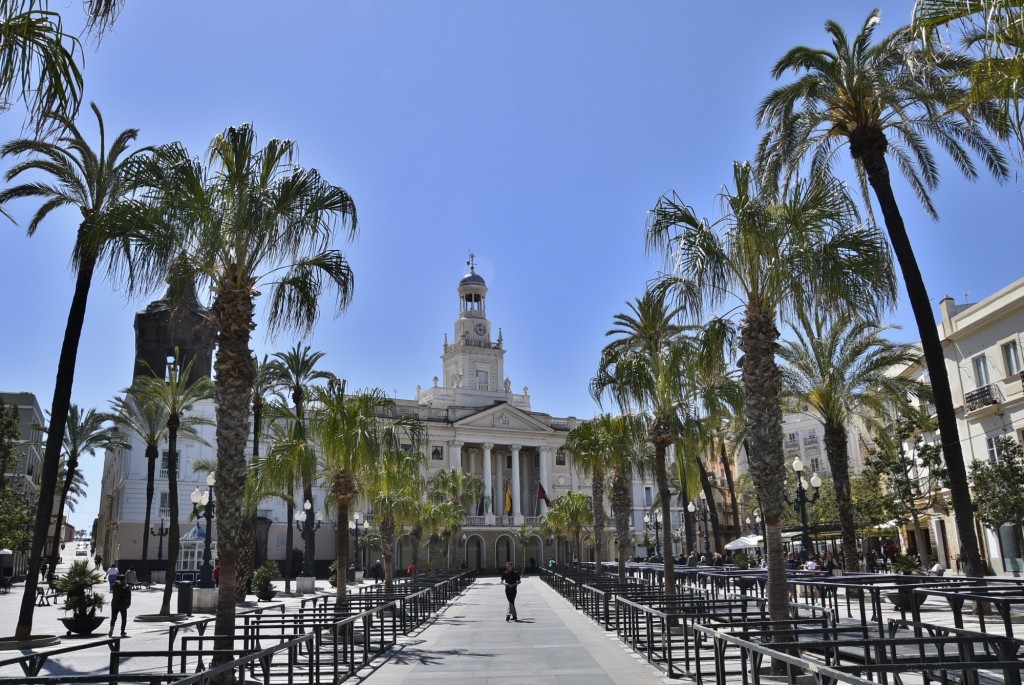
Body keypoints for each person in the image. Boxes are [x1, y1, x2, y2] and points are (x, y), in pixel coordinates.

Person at [108, 573, 132, 637]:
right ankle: (122, 631)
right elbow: (129, 597)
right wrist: (128, 604)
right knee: (124, 618)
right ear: (124, 579)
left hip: (114, 604)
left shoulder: (115, 585)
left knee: (113, 618)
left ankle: (112, 627)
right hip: (123, 605)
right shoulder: (126, 587)